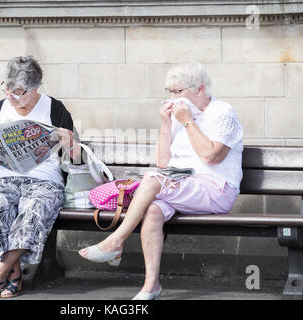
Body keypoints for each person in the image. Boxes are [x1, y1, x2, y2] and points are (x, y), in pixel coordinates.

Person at [79, 62, 243, 300]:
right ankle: (150, 286)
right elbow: (163, 163)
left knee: (153, 178)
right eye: (169, 91)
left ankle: (116, 240)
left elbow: (211, 156)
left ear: (199, 89)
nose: (172, 97)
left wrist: (187, 122)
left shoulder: (223, 113)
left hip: (216, 189)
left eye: (178, 91)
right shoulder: (179, 116)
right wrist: (167, 124)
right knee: (154, 211)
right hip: (182, 186)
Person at [0, 56, 82, 298]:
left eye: (17, 92)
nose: (10, 97)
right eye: (6, 89)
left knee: (33, 209)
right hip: (3, 179)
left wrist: (70, 143)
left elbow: (76, 162)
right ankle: (15, 276)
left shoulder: (55, 109)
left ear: (35, 89)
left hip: (44, 181)